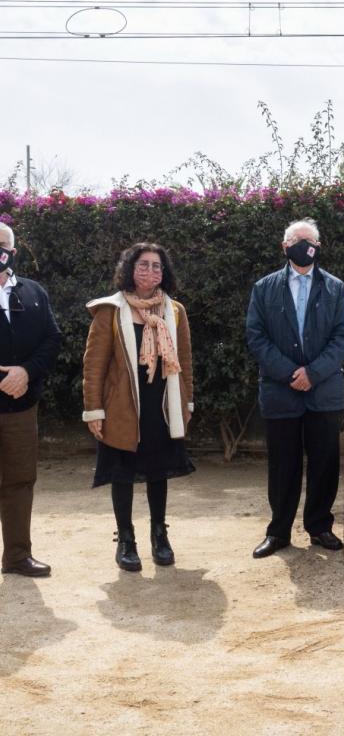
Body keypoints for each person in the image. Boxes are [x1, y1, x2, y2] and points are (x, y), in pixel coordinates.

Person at [82, 243, 194, 571]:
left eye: (156, 266)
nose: (150, 271)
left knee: (158, 471)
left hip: (161, 403)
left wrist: (187, 402)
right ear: (130, 269)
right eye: (143, 264)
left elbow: (184, 361)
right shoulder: (110, 310)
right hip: (122, 407)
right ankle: (126, 539)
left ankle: (159, 534)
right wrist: (94, 410)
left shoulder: (174, 311)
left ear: (165, 272)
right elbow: (94, 366)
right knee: (123, 473)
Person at [247, 217, 344, 558]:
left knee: (324, 463)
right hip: (281, 392)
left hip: (323, 392)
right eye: (297, 240)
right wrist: (291, 373)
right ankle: (278, 532)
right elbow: (257, 337)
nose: (303, 246)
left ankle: (320, 526)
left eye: (309, 241)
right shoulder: (264, 288)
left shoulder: (335, 287)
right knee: (283, 466)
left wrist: (314, 373)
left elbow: (342, 337)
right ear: (285, 247)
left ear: (317, 247)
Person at [0, 223, 61, 578]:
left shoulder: (34, 292)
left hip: (22, 407)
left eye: (2, 245)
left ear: (13, 250)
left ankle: (17, 557)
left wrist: (25, 372)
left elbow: (52, 341)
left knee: (20, 480)